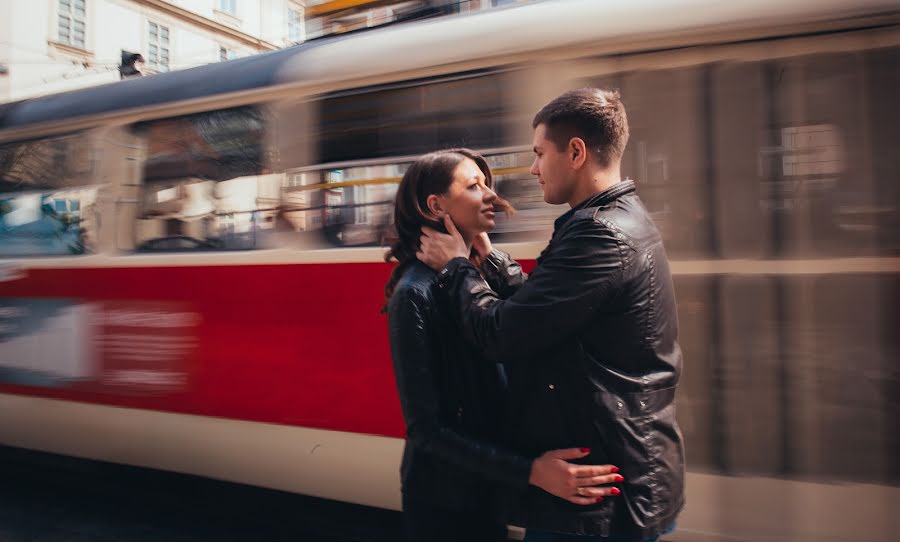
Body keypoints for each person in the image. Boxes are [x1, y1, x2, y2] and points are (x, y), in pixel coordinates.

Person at [416, 90, 685, 541]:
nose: (533, 168)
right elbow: (548, 311)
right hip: (617, 475)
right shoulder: (614, 219)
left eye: (539, 154)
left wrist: (458, 267)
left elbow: (500, 333)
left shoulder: (599, 234)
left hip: (596, 500)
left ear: (575, 152)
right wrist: (489, 257)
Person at [385, 148, 626, 542]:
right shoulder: (415, 293)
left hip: (486, 493)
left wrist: (487, 254)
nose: (492, 195)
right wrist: (531, 470)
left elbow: (537, 325)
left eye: (488, 184)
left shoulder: (478, 277)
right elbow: (427, 430)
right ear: (436, 205)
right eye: (474, 186)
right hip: (445, 506)